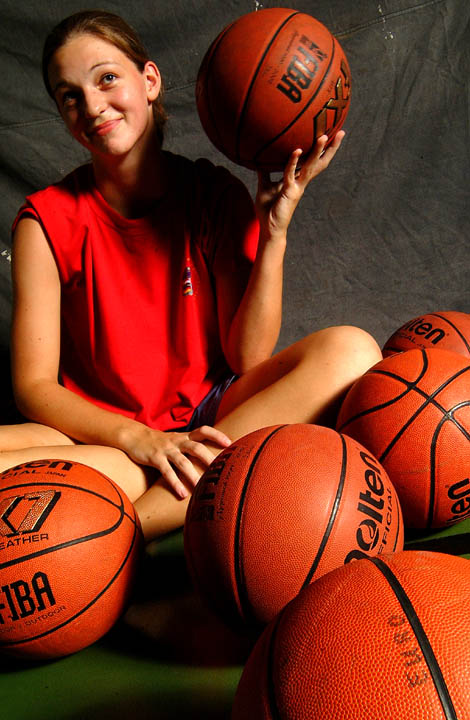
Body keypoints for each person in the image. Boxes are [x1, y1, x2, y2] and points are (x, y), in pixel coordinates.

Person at [1, 10, 382, 542]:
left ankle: (128, 530)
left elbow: (248, 358)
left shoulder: (214, 194)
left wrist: (274, 234)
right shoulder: (44, 221)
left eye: (106, 77)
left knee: (353, 351)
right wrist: (137, 439)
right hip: (104, 436)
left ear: (149, 81)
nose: (91, 105)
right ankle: (164, 500)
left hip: (208, 422)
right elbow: (34, 386)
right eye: (69, 95)